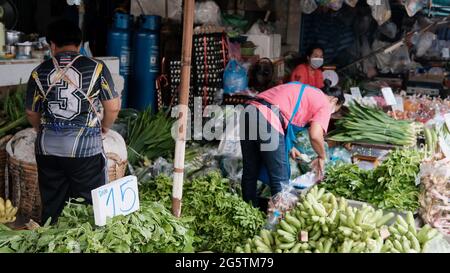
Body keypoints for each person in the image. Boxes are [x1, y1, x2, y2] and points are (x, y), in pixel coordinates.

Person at [25, 19, 121, 224]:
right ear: (80, 43)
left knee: (52, 208)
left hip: (47, 151)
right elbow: (113, 107)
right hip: (85, 152)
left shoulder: (39, 72)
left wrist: (38, 130)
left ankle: (50, 242)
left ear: (52, 45)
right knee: (91, 210)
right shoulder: (96, 68)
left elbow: (32, 113)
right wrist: (105, 127)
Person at [239, 82, 344, 207]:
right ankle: (277, 221)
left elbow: (284, 113)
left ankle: (249, 210)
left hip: (248, 112)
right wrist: (322, 156)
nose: (330, 114)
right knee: (280, 179)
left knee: (250, 171)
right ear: (334, 100)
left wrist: (290, 147)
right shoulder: (325, 103)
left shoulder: (308, 91)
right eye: (334, 111)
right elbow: (315, 135)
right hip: (267, 117)